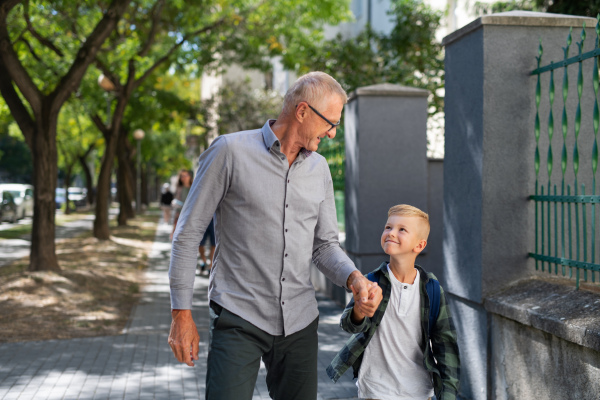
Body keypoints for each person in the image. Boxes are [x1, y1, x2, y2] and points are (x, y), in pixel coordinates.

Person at [167, 71, 383, 400]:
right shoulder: (229, 152)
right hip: (238, 315)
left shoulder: (320, 169)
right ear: (302, 111)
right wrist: (181, 314)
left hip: (299, 322)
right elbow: (187, 235)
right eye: (330, 123)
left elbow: (324, 246)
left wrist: (353, 278)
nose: (333, 133)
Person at [327, 204, 460, 400]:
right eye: (388, 227)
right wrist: (359, 310)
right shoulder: (371, 282)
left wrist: (447, 396)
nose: (391, 233)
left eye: (402, 229)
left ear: (419, 245)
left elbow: (445, 346)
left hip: (419, 392)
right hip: (375, 390)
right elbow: (348, 325)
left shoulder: (432, 290)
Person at [170, 169, 192, 241]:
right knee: (177, 237)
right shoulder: (179, 188)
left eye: (186, 175)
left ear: (189, 176)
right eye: (182, 176)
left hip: (191, 216)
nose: (184, 178)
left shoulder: (194, 188)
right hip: (179, 215)